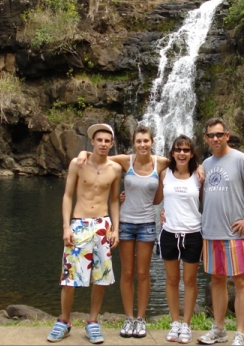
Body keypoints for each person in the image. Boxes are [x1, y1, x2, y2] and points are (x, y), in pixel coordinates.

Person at [77, 125, 204, 338]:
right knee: (127, 273)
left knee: (143, 273)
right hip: (125, 223)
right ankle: (129, 318)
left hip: (147, 223)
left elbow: (184, 161)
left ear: (152, 142)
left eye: (146, 141)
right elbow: (100, 154)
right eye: (139, 141)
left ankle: (142, 319)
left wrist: (200, 166)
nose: (143, 144)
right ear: (134, 143)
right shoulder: (126, 160)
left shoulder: (161, 162)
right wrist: (83, 153)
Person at [197, 118, 244, 346]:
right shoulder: (206, 165)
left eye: (219, 134)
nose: (215, 138)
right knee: (217, 280)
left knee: (240, 282)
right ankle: (219, 329)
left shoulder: (241, 160)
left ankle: (240, 333)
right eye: (211, 135)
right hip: (210, 234)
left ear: (227, 135)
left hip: (235, 235)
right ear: (206, 139)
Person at [47, 123, 122, 344]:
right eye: (100, 140)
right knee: (70, 277)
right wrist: (66, 226)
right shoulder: (77, 164)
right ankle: (64, 321)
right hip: (79, 224)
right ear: (92, 141)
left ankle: (92, 322)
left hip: (102, 225)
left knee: (100, 278)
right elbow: (67, 195)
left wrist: (116, 229)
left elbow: (115, 200)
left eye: (107, 141)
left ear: (112, 143)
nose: (103, 144)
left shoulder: (115, 169)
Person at [153, 135, 203, 344]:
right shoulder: (164, 174)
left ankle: (187, 324)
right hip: (169, 233)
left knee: (190, 280)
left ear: (191, 154)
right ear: (172, 153)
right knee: (172, 280)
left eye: (186, 150)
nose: (182, 153)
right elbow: (156, 199)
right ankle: (175, 322)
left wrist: (199, 166)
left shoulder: (199, 176)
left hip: (193, 233)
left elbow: (208, 202)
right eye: (178, 149)